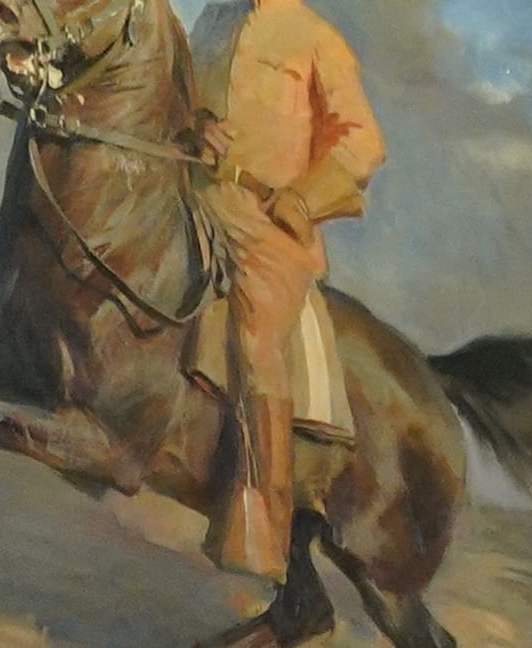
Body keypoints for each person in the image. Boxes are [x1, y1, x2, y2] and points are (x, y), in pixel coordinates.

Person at [195, 0, 387, 581]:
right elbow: (179, 97)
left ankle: (259, 523)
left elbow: (363, 141)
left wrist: (303, 200)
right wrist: (192, 125)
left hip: (268, 225)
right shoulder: (212, 21)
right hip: (194, 197)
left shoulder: (315, 38)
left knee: (255, 339)